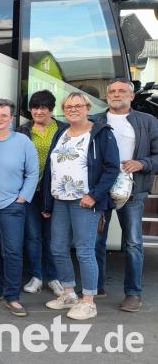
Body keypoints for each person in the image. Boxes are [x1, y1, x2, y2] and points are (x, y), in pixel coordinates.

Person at [42, 92, 119, 321]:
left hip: (85, 201)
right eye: (68, 107)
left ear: (87, 108)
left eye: (78, 106)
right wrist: (47, 202)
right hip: (60, 200)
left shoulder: (101, 133)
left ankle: (88, 301)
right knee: (57, 247)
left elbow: (112, 168)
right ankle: (69, 294)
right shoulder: (61, 133)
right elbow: (50, 169)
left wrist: (94, 195)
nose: (73, 109)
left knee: (85, 251)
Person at [93, 78, 158, 312]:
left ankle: (133, 293)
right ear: (107, 96)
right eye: (112, 91)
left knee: (133, 243)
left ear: (131, 96)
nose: (116, 94)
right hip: (101, 190)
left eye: (122, 91)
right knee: (96, 241)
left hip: (133, 191)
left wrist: (142, 163)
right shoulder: (95, 121)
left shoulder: (148, 122)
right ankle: (96, 287)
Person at [0, 99, 38, 317]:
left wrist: (22, 198)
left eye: (4, 115)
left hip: (12, 206)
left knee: (12, 251)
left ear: (11, 118)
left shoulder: (22, 141)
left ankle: (12, 296)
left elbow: (33, 173)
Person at [17, 90, 67, 297]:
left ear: (51, 110)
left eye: (43, 107)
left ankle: (54, 277)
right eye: (35, 107)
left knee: (54, 237)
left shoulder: (63, 130)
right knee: (33, 236)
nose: (38, 111)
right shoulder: (23, 130)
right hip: (30, 191)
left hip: (56, 191)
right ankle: (36, 276)